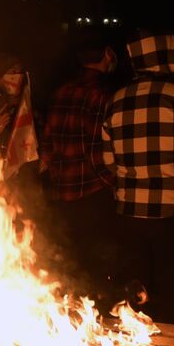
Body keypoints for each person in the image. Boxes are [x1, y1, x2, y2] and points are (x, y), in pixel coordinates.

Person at [100, 30, 174, 346]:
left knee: (136, 283)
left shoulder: (117, 99)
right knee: (173, 283)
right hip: (171, 211)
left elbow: (109, 160)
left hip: (129, 210)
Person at [40, 36, 118, 295]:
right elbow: (96, 151)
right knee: (97, 266)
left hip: (63, 193)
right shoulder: (102, 95)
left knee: (71, 264)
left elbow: (48, 145)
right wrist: (111, 183)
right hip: (91, 194)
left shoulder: (61, 92)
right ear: (107, 53)